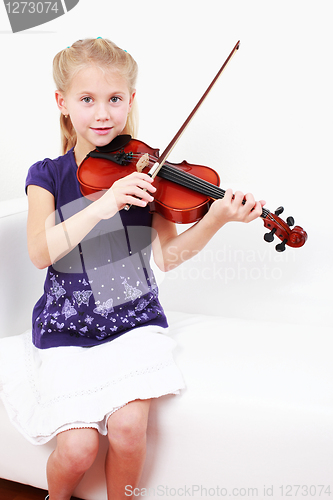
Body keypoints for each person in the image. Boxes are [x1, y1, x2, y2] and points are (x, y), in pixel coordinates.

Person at [0, 38, 265, 500]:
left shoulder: (151, 172)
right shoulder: (47, 174)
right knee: (78, 449)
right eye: (87, 100)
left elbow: (167, 257)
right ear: (62, 103)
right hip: (69, 327)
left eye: (114, 99)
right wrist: (101, 206)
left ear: (130, 101)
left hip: (131, 321)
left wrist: (218, 219)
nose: (102, 114)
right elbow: (40, 252)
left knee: (126, 430)